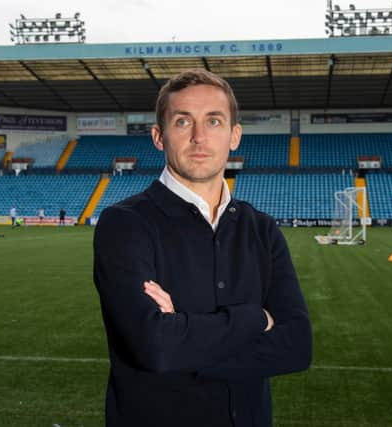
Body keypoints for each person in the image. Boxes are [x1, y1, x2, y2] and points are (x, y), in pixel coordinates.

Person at [93, 69, 312, 427]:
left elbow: (298, 346)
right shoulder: (124, 224)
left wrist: (184, 336)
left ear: (234, 136)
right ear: (158, 137)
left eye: (213, 121)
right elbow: (156, 347)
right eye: (182, 122)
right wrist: (256, 318)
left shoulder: (262, 229)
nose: (199, 137)